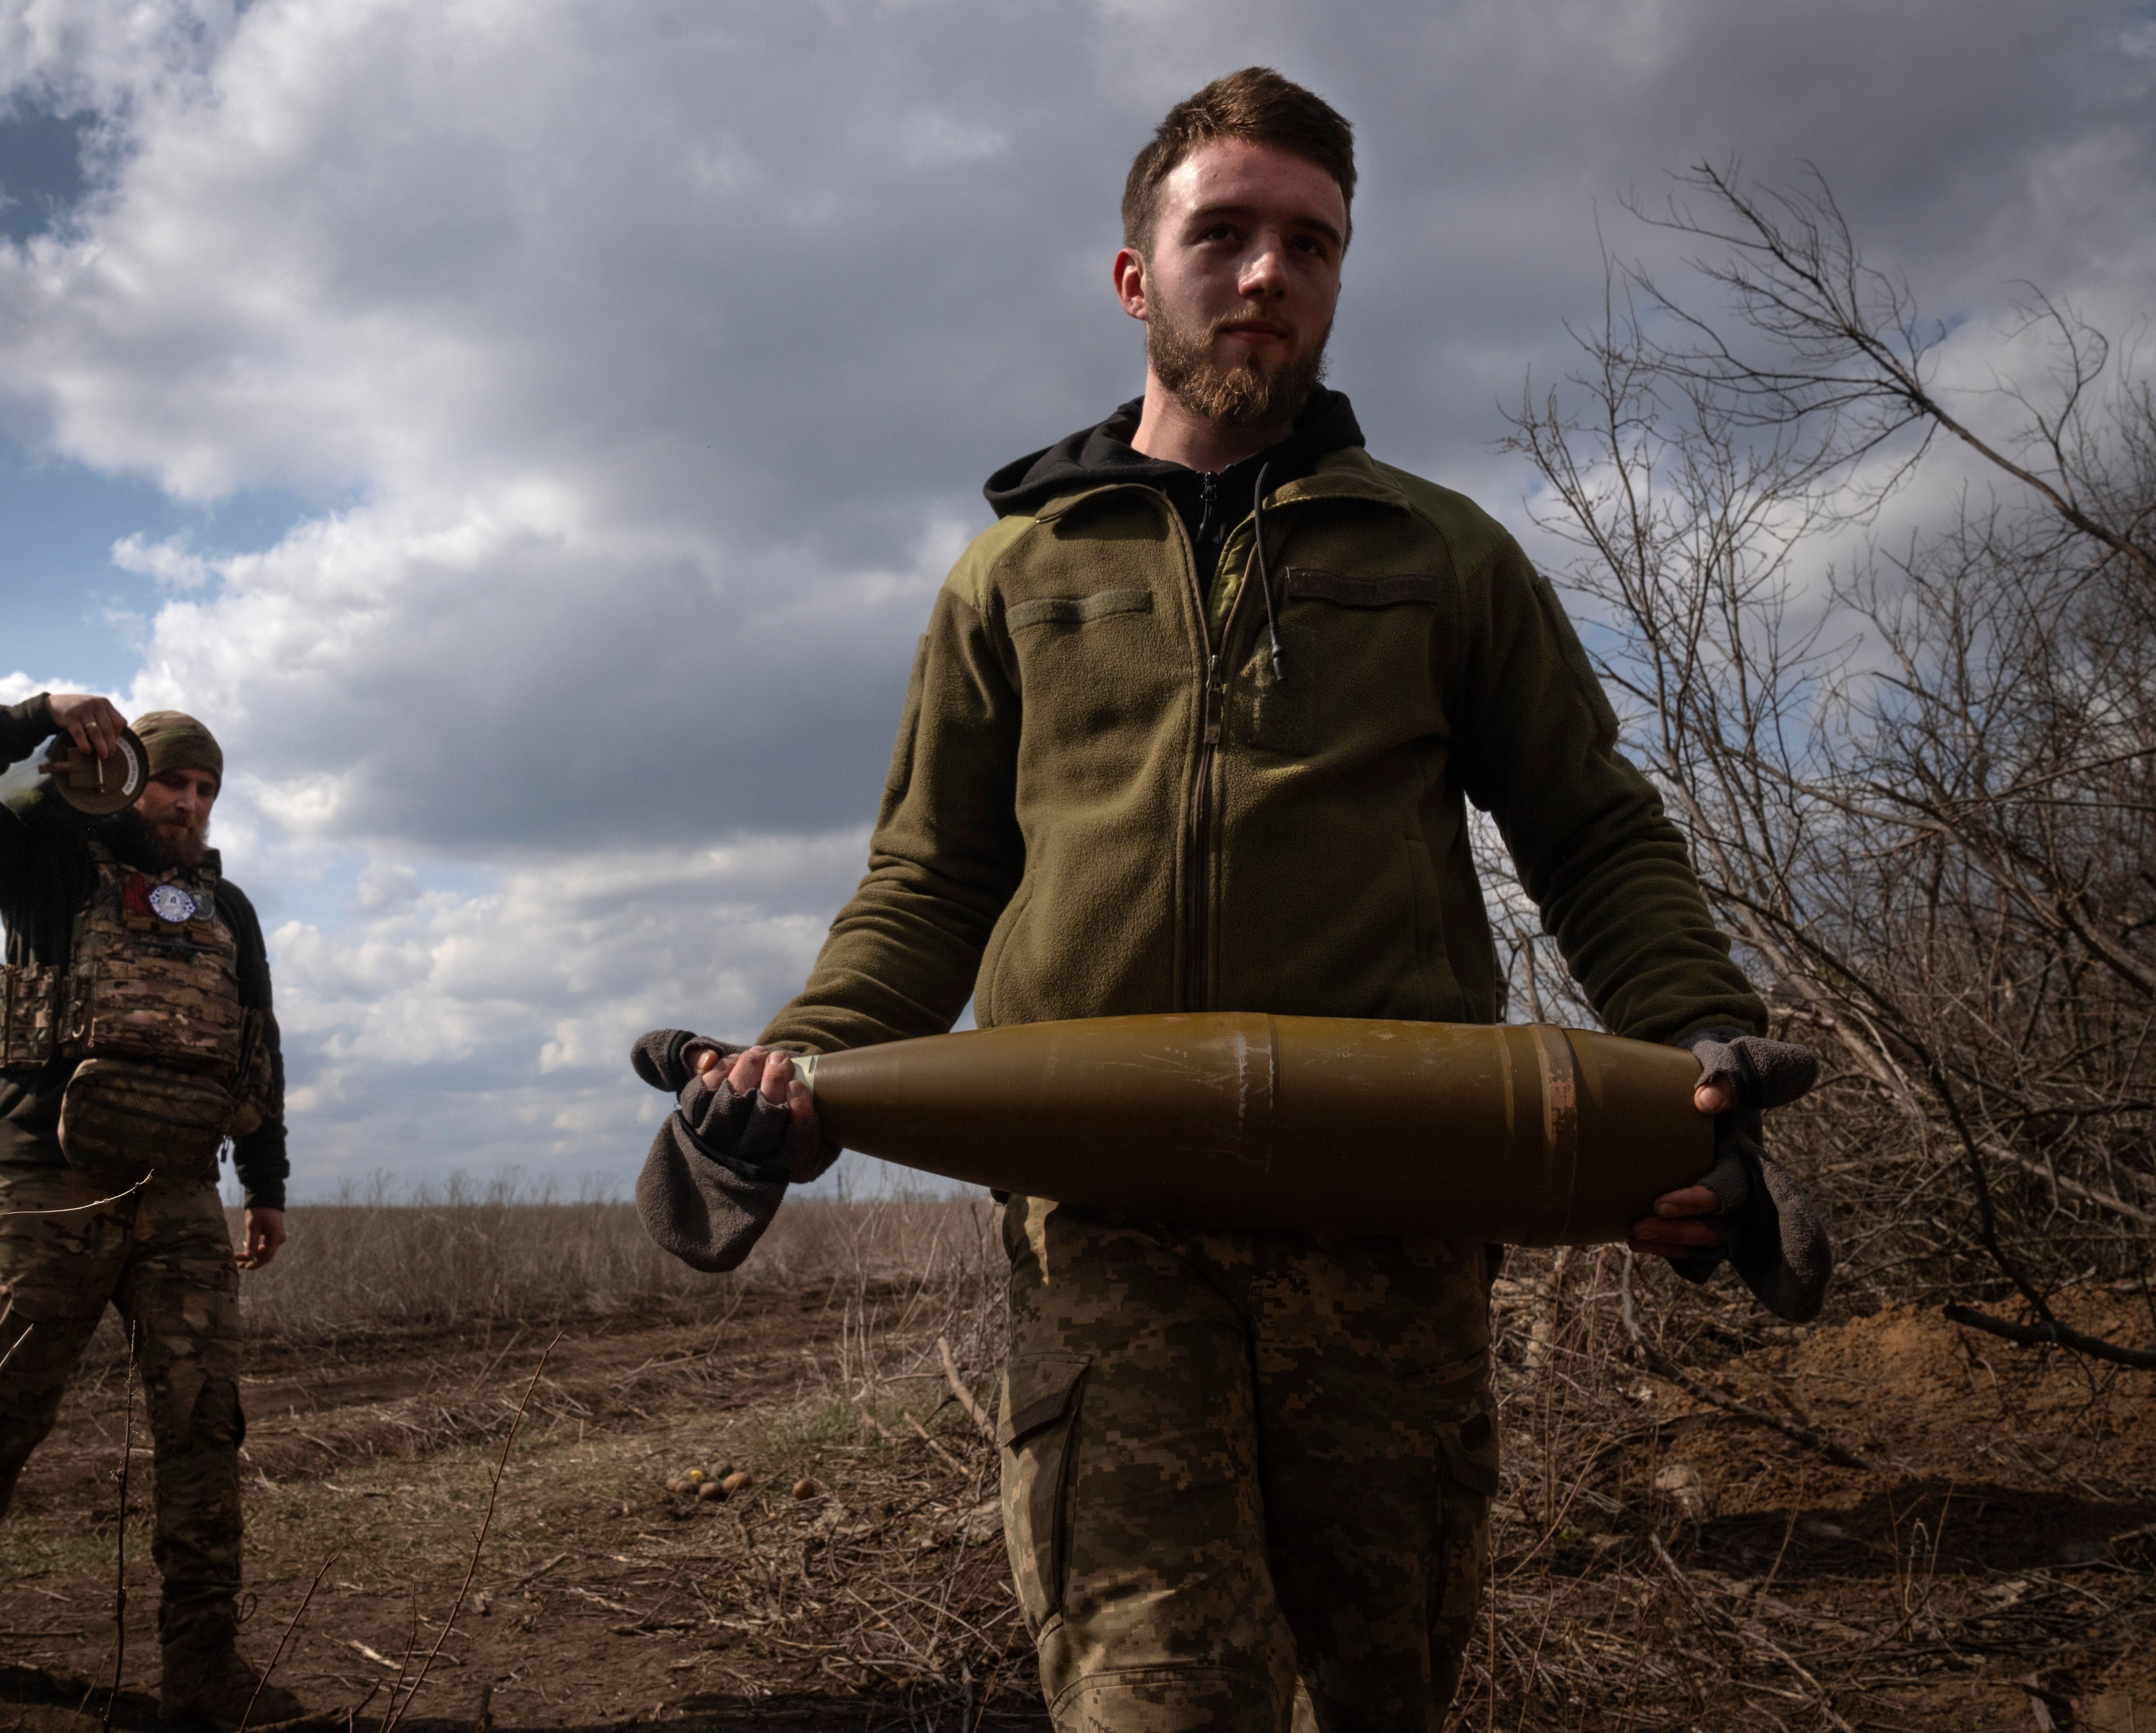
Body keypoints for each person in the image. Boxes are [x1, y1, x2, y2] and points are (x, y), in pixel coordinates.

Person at [631, 68, 1826, 1733]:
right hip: (1106, 1224)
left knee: (1384, 1690)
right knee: (1153, 1698)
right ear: (1139, 275)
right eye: (1226, 233)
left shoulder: (1445, 555)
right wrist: (799, 1066)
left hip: (1392, 1217)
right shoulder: (1013, 578)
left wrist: (1696, 1049)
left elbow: (1592, 830)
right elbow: (931, 876)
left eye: (1312, 243)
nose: (1269, 273)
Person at [0, 692, 300, 1728]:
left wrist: (267, 1185)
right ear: (130, 772)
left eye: (208, 790)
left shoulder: (227, 907)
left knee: (205, 1424)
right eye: (174, 780)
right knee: (2, 1414)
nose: (192, 803)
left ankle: (203, 1670)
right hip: (48, 1184)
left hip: (180, 1191)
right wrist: (38, 716)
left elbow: (256, 1044)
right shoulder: (48, 860)